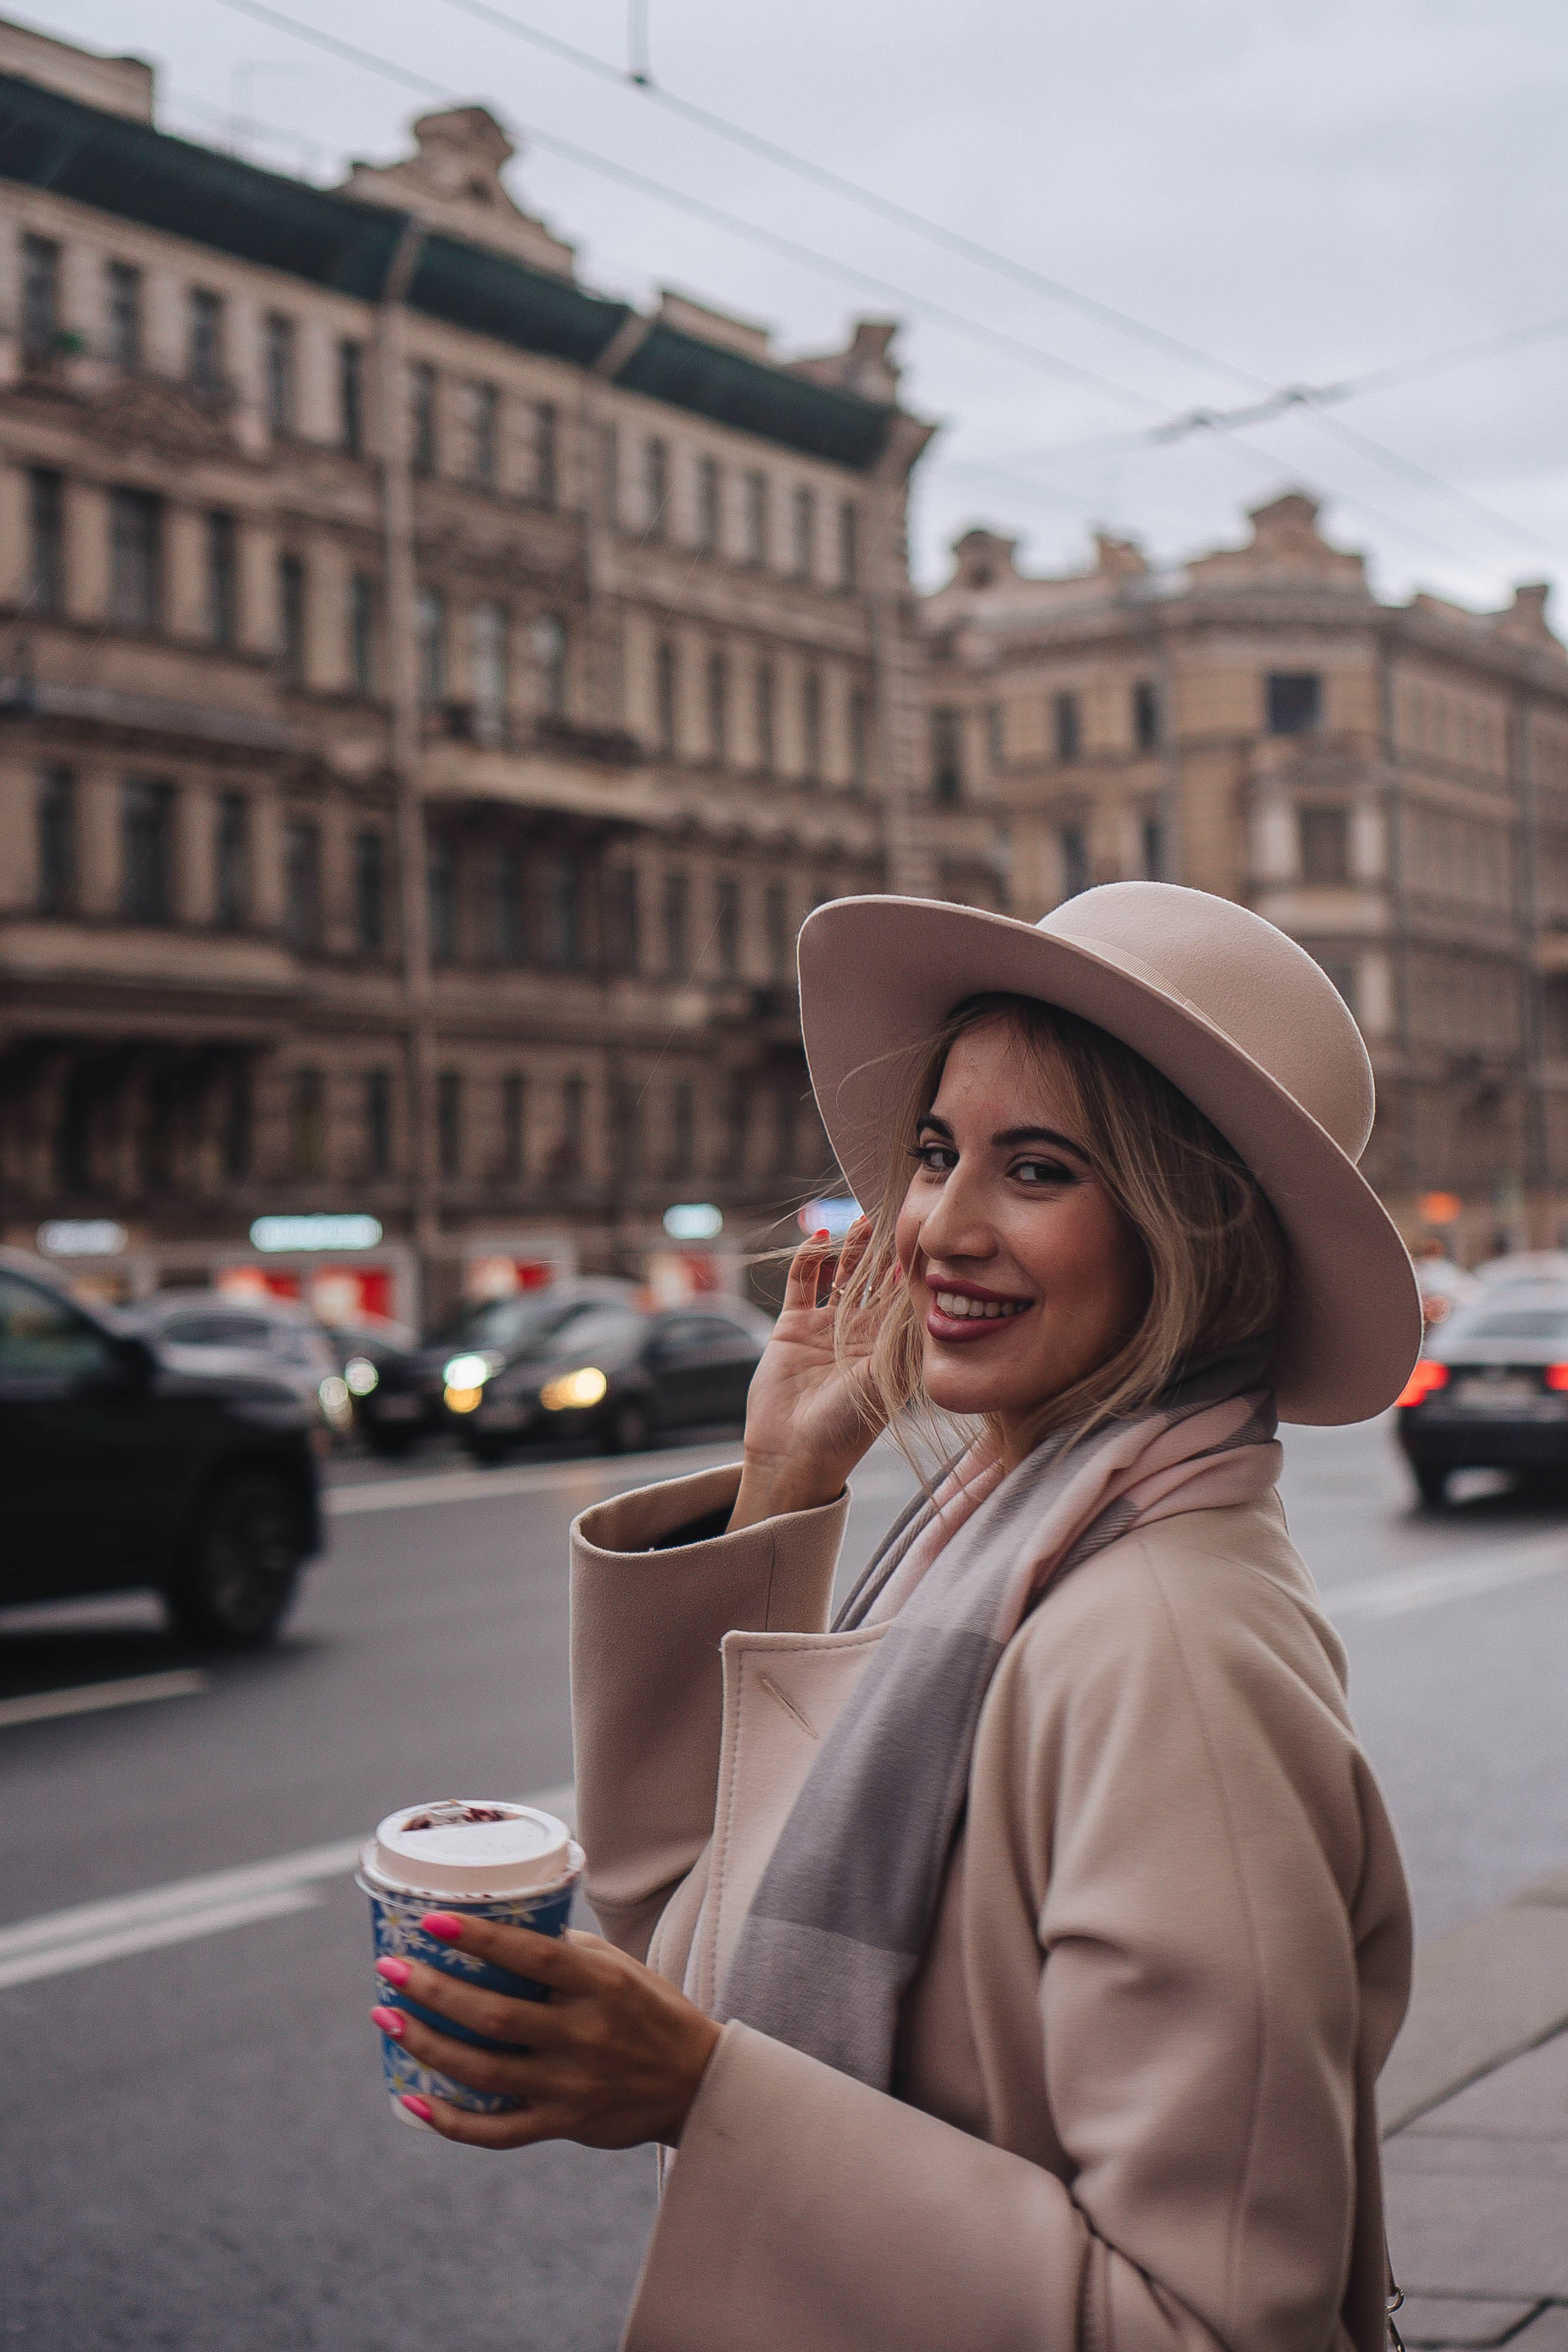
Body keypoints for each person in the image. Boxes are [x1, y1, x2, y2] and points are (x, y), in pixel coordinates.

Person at [372, 882, 1420, 2352]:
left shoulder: (1166, 1650)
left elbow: (1209, 2323)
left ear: (1194, 1230)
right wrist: (787, 1476)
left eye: (1037, 1170)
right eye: (934, 1153)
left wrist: (698, 2096)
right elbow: (696, 1932)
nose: (934, 1225)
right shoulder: (998, 1539)